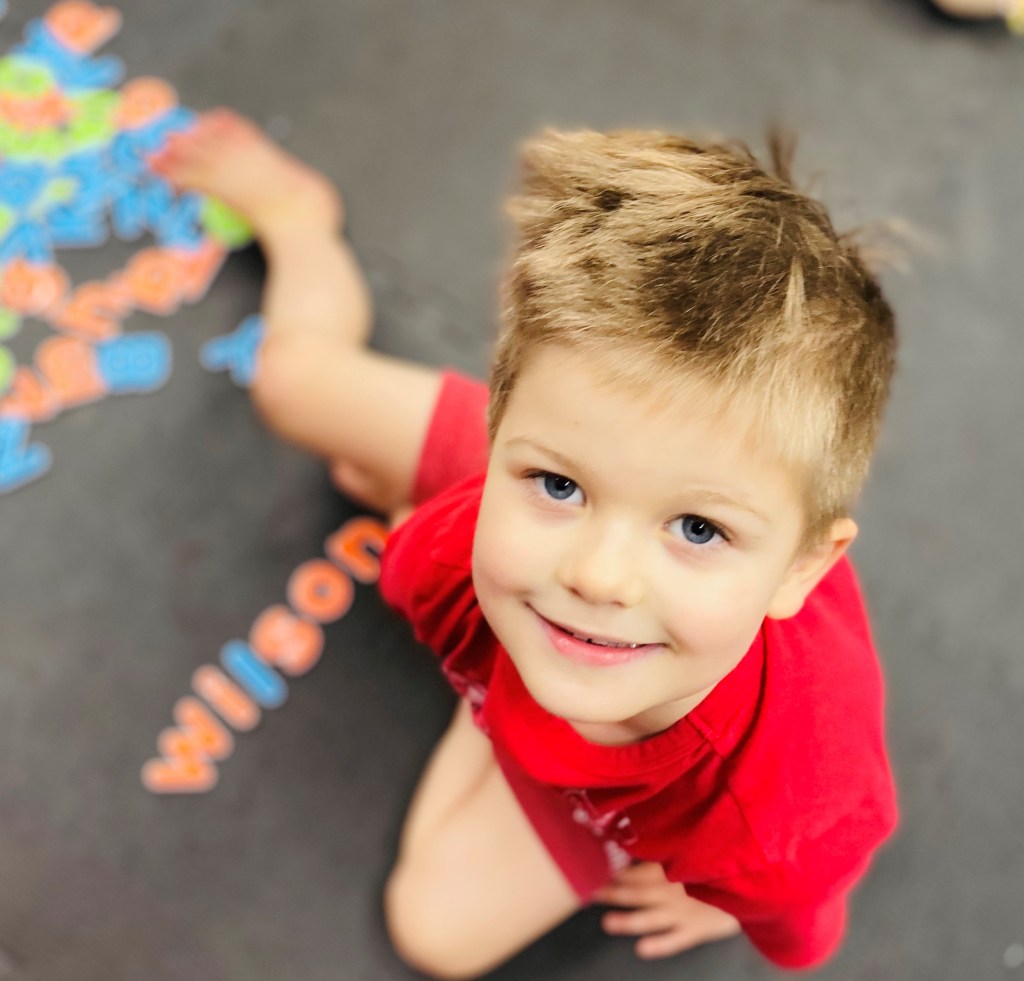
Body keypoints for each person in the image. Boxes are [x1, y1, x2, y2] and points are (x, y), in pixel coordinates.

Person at [150, 111, 898, 979]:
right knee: (290, 382)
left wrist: (716, 901)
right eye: (556, 483)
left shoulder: (775, 822)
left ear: (802, 567)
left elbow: (805, 927)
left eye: (699, 528)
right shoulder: (445, 555)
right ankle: (297, 217)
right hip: (538, 486)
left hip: (625, 690)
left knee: (432, 933)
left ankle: (510, 658)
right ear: (500, 432)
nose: (598, 575)